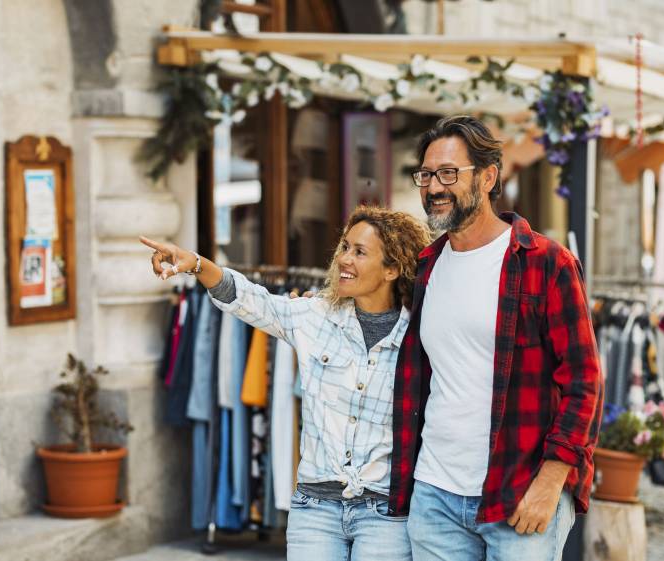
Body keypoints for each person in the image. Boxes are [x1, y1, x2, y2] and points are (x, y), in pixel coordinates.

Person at [140, 206, 431, 561]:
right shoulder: (315, 317)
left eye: (359, 252)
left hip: (386, 514)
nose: (344, 259)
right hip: (316, 509)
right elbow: (251, 300)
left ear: (392, 269)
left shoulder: (418, 336)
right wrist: (199, 264)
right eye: (344, 247)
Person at [387, 116, 603, 561]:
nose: (433, 187)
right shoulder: (428, 265)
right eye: (426, 175)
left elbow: (585, 383)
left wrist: (551, 481)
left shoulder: (546, 263)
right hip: (435, 494)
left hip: (520, 490)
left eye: (449, 173)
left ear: (487, 177)